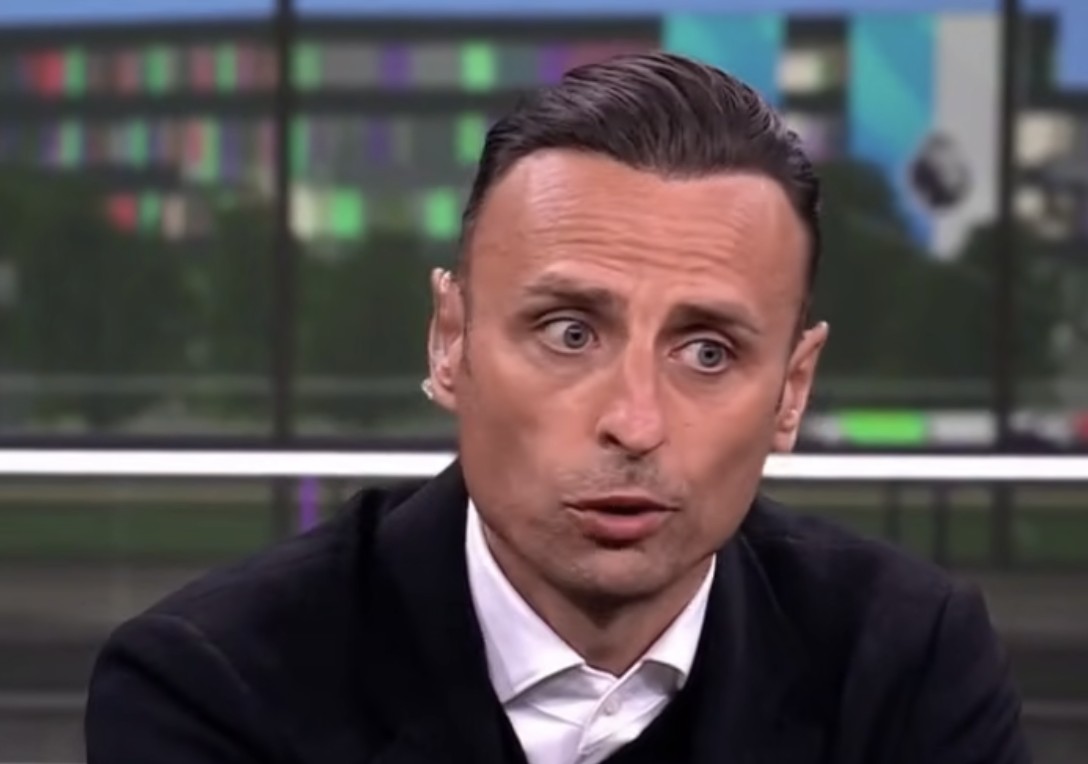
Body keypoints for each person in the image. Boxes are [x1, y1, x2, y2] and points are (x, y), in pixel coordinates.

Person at [84, 52, 1030, 764]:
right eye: (570, 332)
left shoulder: (907, 663)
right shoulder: (213, 683)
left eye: (708, 351)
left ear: (792, 391)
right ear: (449, 341)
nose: (635, 422)